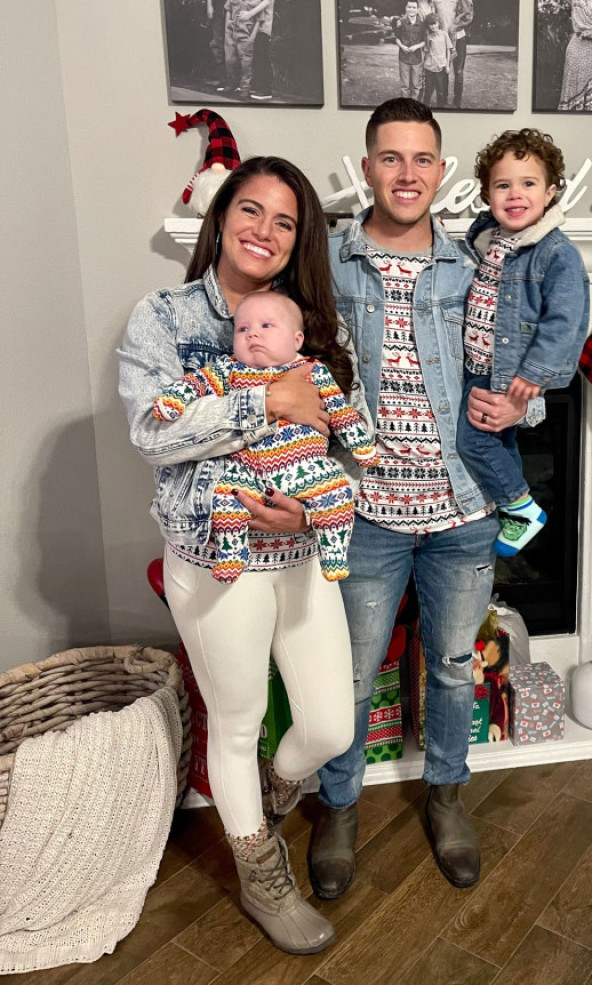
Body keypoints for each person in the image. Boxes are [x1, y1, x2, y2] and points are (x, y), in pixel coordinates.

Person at [119, 156, 363, 955]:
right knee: (238, 720)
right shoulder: (165, 317)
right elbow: (152, 432)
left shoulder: (316, 327)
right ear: (222, 217)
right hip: (215, 555)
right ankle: (261, 870)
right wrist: (266, 399)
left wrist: (315, 500)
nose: (264, 230)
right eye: (250, 210)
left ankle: (267, 797)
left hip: (302, 552)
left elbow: (349, 438)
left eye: (285, 221)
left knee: (328, 725)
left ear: (299, 240)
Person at [308, 98, 529, 900]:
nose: (408, 174)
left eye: (423, 159)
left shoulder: (478, 268)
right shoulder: (328, 264)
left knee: (453, 664)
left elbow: (519, 365)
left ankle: (445, 797)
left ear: (442, 170)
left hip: (463, 508)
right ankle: (338, 806)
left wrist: (522, 404)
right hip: (366, 509)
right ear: (368, 166)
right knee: (352, 672)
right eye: (392, 158)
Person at [153, 291, 378, 583]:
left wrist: (360, 444)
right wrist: (175, 398)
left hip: (305, 467)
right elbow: (197, 382)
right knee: (224, 498)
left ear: (297, 340)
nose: (252, 334)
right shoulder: (230, 370)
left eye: (266, 326)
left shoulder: (313, 371)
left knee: (337, 494)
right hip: (247, 469)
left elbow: (340, 411)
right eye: (242, 329)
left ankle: (333, 550)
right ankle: (232, 552)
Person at [457, 129, 590, 556]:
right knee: (502, 443)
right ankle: (511, 506)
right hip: (477, 364)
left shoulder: (555, 252)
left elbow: (565, 320)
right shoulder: (490, 241)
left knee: (473, 441)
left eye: (528, 183)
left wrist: (534, 374)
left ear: (550, 193)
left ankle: (521, 507)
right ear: (487, 194)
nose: (515, 194)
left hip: (507, 372)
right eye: (503, 185)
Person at [391, 1, 426, 101]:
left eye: (414, 7)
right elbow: (397, 38)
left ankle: (414, 105)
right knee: (404, 86)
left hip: (416, 59)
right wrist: (402, 46)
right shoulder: (400, 22)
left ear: (417, 9)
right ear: (406, 8)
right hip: (404, 58)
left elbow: (424, 41)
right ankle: (405, 106)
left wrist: (416, 47)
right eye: (409, 7)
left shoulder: (422, 24)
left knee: (415, 86)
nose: (411, 9)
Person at [421, 13, 453, 108]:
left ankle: (440, 108)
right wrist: (427, 42)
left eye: (434, 23)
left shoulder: (444, 34)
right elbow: (426, 51)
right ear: (428, 26)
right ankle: (425, 108)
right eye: (430, 24)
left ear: (439, 23)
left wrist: (447, 65)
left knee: (441, 90)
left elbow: (448, 50)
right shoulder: (428, 36)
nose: (433, 26)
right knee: (428, 89)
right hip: (429, 67)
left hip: (441, 66)